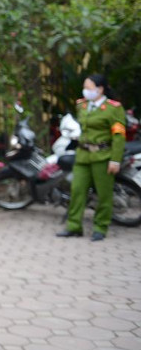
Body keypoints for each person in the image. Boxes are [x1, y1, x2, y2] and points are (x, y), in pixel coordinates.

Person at [57, 73, 127, 242]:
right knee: (77, 190)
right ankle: (74, 226)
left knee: (103, 194)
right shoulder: (82, 105)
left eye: (88, 87)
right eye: (85, 88)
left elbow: (118, 136)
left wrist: (115, 159)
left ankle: (100, 227)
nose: (85, 90)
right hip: (83, 155)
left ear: (100, 89)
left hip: (103, 156)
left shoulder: (113, 108)